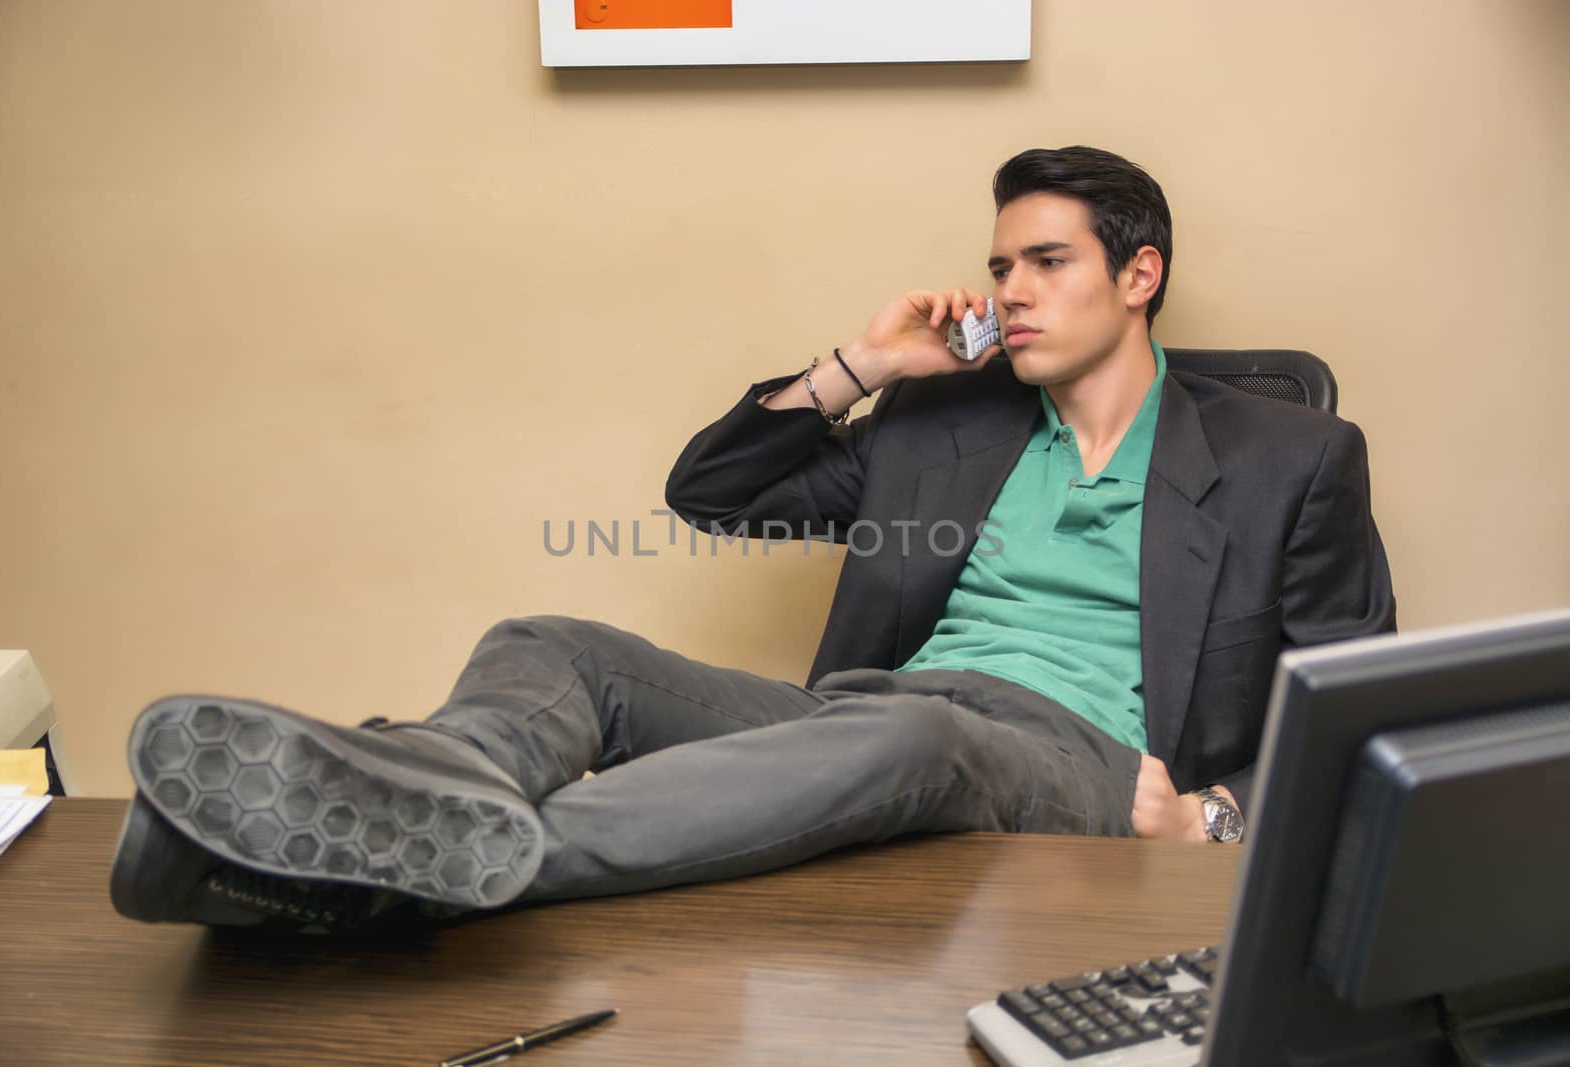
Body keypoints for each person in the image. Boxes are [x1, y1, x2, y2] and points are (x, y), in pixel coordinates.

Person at [109, 145, 1395, 931]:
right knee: (556, 645)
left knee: (915, 730)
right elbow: (712, 491)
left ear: (1138, 274)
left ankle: (427, 862)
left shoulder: (1288, 454)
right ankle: (405, 804)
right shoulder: (940, 424)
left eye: (1046, 261)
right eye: (998, 264)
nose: (1007, 291)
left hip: (1078, 764)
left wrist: (1211, 824)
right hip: (868, 712)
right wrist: (865, 364)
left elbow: (1353, 705)